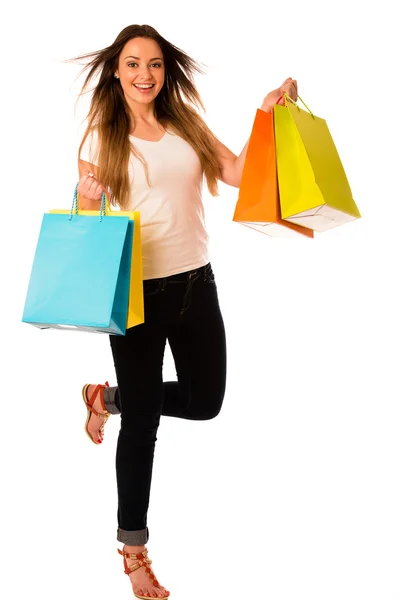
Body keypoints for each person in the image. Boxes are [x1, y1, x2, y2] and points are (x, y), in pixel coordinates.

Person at [73, 24, 298, 600]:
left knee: (206, 402)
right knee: (143, 429)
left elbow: (238, 173)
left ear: (164, 70)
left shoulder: (186, 125)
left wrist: (267, 113)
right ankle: (133, 548)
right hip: (137, 294)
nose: (144, 74)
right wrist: (88, 198)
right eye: (132, 64)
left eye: (153, 64)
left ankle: (111, 398)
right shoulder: (104, 137)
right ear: (116, 72)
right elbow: (85, 221)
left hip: (197, 283)